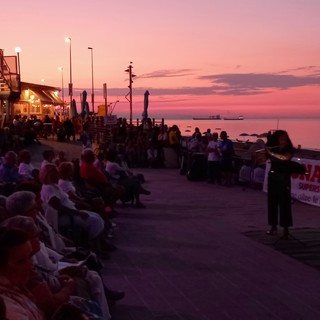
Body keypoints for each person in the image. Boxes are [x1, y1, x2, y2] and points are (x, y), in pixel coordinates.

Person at [0, 227, 45, 320]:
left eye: (30, 257)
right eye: (20, 261)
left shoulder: (14, 285)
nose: (30, 266)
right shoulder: (9, 309)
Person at [265, 130, 294, 239]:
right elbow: (262, 159)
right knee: (272, 203)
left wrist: (271, 153)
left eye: (284, 139)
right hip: (272, 178)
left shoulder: (289, 149)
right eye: (280, 139)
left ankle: (286, 230)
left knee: (285, 204)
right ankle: (273, 226)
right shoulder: (274, 148)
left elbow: (285, 158)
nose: (282, 141)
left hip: (284, 179)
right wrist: (267, 148)